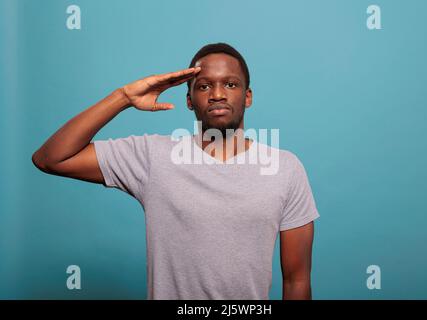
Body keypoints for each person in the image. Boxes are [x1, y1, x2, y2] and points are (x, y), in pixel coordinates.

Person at [32, 42, 320, 300]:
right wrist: (123, 97)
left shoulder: (285, 168)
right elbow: (51, 158)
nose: (217, 94)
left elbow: (296, 280)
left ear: (247, 97)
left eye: (230, 85)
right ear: (189, 100)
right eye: (204, 86)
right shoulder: (153, 157)